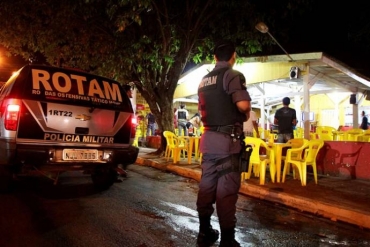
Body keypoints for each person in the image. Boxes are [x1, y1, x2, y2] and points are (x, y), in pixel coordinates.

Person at [196, 40, 251, 247]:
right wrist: (245, 112)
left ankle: (204, 231)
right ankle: (228, 240)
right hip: (227, 142)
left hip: (208, 140)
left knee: (207, 186)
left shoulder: (203, 80)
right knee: (226, 190)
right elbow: (243, 104)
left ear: (214, 58)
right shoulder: (233, 75)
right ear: (233, 57)